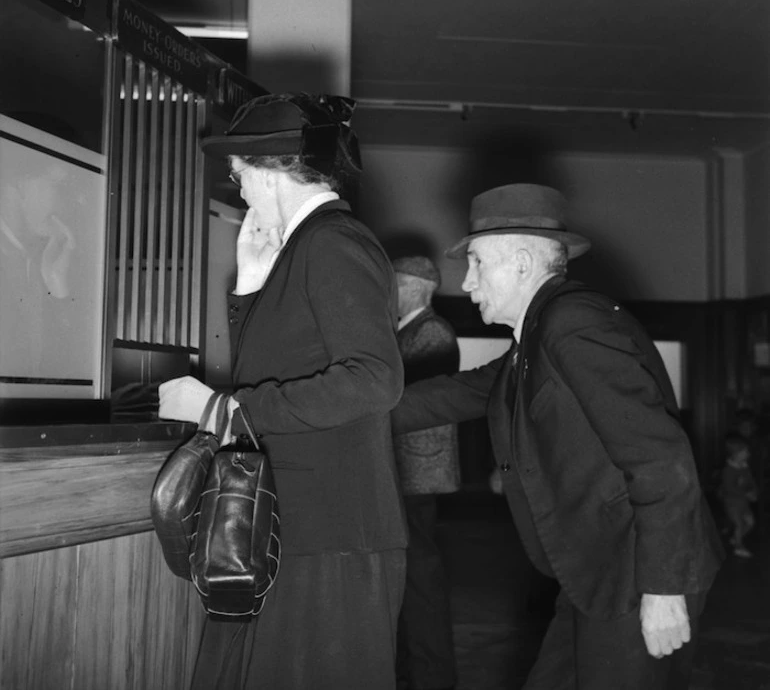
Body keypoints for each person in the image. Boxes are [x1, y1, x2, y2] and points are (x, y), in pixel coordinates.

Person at [392, 183, 724, 690]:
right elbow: (455, 395)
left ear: (522, 263)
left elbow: (661, 455)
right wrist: (345, 412)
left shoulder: (571, 324)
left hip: (639, 574)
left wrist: (663, 589)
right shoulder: (543, 332)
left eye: (477, 263)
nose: (469, 282)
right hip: (597, 573)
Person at [158, 93, 407, 690]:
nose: (238, 191)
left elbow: (376, 380)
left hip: (331, 539)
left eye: (240, 177)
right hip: (298, 529)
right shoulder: (305, 246)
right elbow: (270, 369)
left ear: (271, 172)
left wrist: (220, 409)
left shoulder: (332, 241)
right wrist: (248, 283)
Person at [391, 255, 460, 690]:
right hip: (409, 469)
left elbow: (413, 399)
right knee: (412, 578)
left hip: (418, 470)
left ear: (413, 287)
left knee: (421, 579)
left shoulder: (432, 331)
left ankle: (434, 676)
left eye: (392, 284)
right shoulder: (411, 329)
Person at [718, 435, 758, 558]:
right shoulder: (728, 470)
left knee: (750, 523)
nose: (748, 453)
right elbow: (729, 489)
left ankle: (736, 538)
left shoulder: (745, 467)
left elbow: (751, 481)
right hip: (732, 503)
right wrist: (745, 493)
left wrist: (754, 492)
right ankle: (738, 547)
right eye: (745, 451)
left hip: (743, 502)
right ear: (736, 454)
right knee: (739, 524)